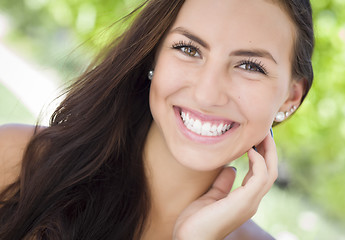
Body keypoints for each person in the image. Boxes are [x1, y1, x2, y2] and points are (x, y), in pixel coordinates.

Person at [0, 0, 314, 239]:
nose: (206, 95)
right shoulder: (16, 161)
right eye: (188, 49)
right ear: (154, 56)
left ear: (291, 97)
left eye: (250, 66)